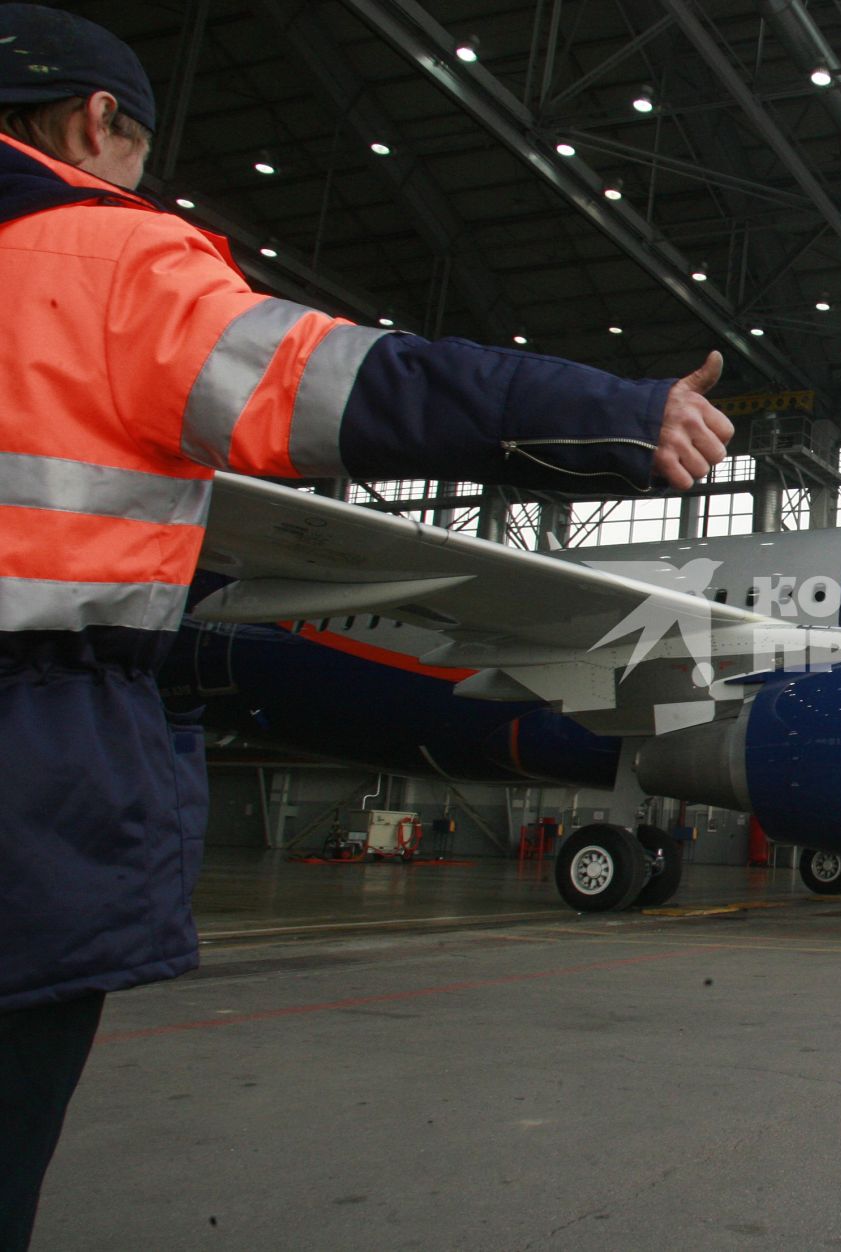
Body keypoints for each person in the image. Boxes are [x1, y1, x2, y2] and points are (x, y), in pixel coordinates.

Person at [0, 8, 734, 1245]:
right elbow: (357, 386)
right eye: (141, 149)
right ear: (96, 122)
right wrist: (618, 412)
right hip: (37, 733)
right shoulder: (99, 259)